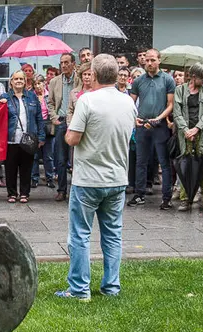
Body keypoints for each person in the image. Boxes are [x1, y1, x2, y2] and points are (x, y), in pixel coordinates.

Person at [56, 54, 137, 301]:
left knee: (80, 234)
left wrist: (68, 132)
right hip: (117, 178)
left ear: (94, 73)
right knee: (113, 234)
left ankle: (80, 289)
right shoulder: (128, 102)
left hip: (89, 179)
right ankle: (111, 286)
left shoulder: (87, 101)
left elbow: (73, 138)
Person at [127, 48, 175, 209]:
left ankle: (166, 197)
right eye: (147, 60)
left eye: (152, 60)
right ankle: (139, 194)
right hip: (142, 125)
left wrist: (159, 118)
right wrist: (135, 118)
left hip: (160, 125)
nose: (149, 63)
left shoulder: (168, 79)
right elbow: (130, 103)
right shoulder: (139, 81)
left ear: (159, 60)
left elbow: (171, 104)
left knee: (164, 161)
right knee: (141, 161)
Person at [173, 62, 203, 213]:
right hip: (185, 135)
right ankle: (186, 199)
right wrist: (186, 130)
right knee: (185, 166)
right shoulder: (180, 90)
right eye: (201, 78)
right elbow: (177, 113)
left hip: (202, 134)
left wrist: (196, 129)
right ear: (193, 77)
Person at [1, 70, 44, 203]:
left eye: (21, 79)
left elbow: (39, 118)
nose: (18, 81)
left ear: (25, 81)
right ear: (11, 82)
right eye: (16, 79)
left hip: (29, 139)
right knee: (10, 168)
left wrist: (41, 137)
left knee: (27, 167)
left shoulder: (32, 97)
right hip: (10, 139)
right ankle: (12, 193)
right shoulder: (5, 97)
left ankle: (25, 193)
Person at [47, 53, 81, 201]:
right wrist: (54, 118)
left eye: (67, 62)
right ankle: (61, 190)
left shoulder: (80, 80)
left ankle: (76, 189)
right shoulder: (55, 81)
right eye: (62, 63)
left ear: (73, 63)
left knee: (76, 158)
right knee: (60, 158)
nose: (64, 65)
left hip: (77, 121)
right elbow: (50, 103)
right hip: (61, 122)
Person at [32, 74, 55, 189]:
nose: (38, 86)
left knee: (48, 156)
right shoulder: (32, 96)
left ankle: (50, 178)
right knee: (35, 155)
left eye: (39, 83)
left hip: (48, 125)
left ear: (44, 83)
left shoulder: (49, 95)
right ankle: (34, 178)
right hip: (36, 127)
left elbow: (53, 109)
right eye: (35, 84)